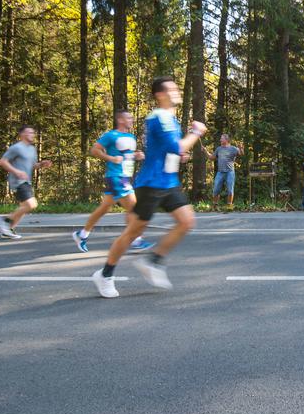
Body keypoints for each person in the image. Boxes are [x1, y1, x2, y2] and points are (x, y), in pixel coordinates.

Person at [91, 77, 207, 298]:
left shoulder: (169, 119)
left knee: (186, 221)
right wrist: (196, 132)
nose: (177, 91)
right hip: (152, 183)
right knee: (133, 232)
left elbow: (167, 150)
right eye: (172, 89)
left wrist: (179, 155)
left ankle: (153, 260)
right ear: (160, 95)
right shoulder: (160, 117)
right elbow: (175, 146)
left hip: (168, 182)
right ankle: (105, 274)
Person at [72, 110, 154, 254]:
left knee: (104, 208)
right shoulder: (111, 135)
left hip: (126, 176)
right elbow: (94, 150)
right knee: (134, 208)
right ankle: (136, 240)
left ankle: (82, 234)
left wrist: (136, 155)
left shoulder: (131, 136)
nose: (131, 120)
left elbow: (126, 155)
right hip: (117, 176)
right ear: (120, 120)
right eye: (129, 118)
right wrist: (110, 158)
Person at [0, 125, 52, 239]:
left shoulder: (32, 149)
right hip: (17, 181)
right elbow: (2, 162)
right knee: (31, 204)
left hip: (27, 181)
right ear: (22, 134)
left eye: (32, 132)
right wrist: (16, 171)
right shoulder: (16, 148)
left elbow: (32, 165)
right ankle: (5, 221)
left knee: (24, 207)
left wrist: (41, 164)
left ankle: (8, 230)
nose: (32, 134)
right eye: (29, 132)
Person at [202, 134, 242, 211]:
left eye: (222, 138)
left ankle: (229, 206)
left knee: (230, 189)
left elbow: (241, 154)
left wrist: (241, 148)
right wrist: (205, 151)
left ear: (226, 140)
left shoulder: (233, 148)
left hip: (230, 172)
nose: (220, 140)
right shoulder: (219, 149)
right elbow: (211, 158)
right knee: (216, 189)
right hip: (220, 172)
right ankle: (215, 205)